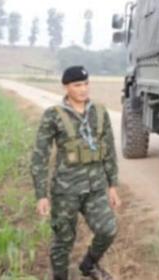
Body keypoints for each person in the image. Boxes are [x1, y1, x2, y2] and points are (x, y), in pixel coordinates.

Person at [31, 66, 120, 280]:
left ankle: (89, 265)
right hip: (66, 191)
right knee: (63, 242)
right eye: (77, 85)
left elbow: (109, 150)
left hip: (95, 188)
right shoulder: (53, 115)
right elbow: (40, 156)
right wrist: (41, 195)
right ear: (66, 87)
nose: (83, 89)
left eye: (86, 84)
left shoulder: (99, 112)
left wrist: (112, 185)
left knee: (108, 230)